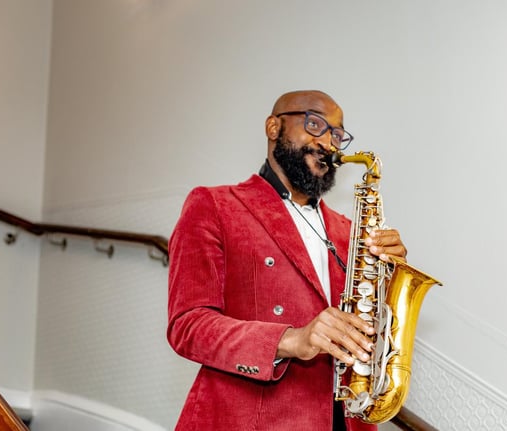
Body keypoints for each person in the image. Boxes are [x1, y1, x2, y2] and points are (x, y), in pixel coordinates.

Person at [167, 90, 408, 431]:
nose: (328, 142)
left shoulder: (350, 232)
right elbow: (187, 326)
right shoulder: (214, 205)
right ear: (273, 127)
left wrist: (390, 276)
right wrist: (292, 339)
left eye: (337, 135)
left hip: (344, 421)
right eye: (315, 125)